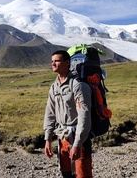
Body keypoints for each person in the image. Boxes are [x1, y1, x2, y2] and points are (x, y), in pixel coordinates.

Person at [43, 50, 93, 178]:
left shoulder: (78, 85)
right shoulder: (54, 87)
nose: (53, 64)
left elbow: (84, 116)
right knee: (66, 174)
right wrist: (48, 139)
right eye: (52, 61)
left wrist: (77, 143)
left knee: (82, 174)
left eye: (57, 61)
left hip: (79, 139)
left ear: (67, 63)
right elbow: (50, 113)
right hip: (62, 138)